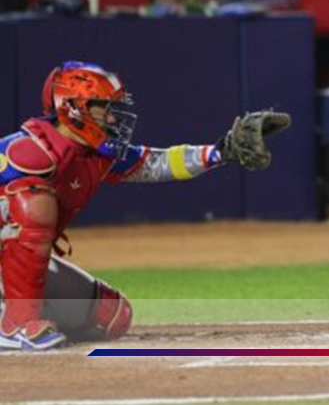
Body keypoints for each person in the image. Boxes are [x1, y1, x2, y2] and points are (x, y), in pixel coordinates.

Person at [0, 61, 290, 350]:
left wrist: (220, 152)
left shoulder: (93, 155)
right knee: (32, 201)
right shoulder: (26, 150)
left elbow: (155, 163)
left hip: (9, 266)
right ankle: (17, 325)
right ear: (73, 108)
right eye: (102, 108)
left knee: (111, 316)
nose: (111, 118)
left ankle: (12, 311)